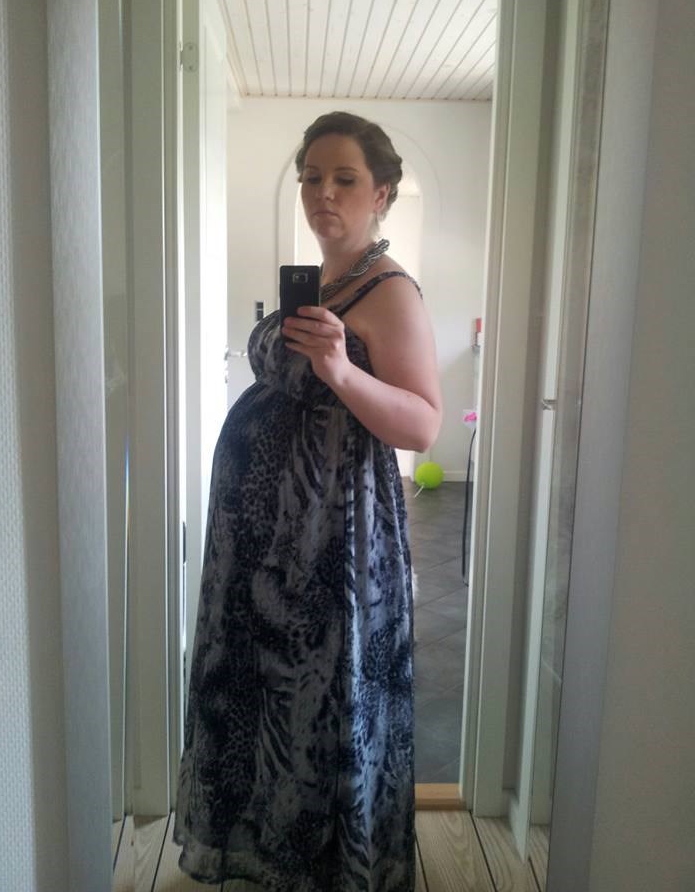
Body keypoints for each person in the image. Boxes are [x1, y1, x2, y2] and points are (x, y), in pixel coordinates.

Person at [174, 111, 442, 891]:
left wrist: (341, 370)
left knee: (321, 695)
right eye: (311, 177)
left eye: (344, 179)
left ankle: (325, 862)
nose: (323, 192)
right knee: (261, 690)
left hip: (332, 534)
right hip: (260, 536)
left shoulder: (391, 293)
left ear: (381, 194)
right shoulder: (322, 281)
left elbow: (422, 424)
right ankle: (266, 846)